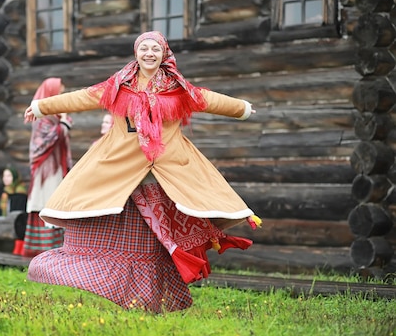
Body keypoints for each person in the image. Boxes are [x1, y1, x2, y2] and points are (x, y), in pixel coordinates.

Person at [22, 31, 261, 313]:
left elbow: (207, 99)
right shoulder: (118, 86)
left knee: (151, 243)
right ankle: (105, 284)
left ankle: (150, 299)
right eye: (144, 48)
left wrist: (242, 108)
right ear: (136, 53)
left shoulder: (178, 88)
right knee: (111, 230)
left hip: (163, 173)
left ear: (164, 54)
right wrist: (41, 106)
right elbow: (83, 97)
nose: (149, 53)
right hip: (119, 171)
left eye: (155, 49)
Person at [23, 77, 72, 257]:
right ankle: (42, 248)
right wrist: (64, 124)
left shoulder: (56, 117)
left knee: (56, 203)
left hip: (57, 167)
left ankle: (57, 247)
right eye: (59, 92)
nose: (61, 96)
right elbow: (46, 141)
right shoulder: (41, 117)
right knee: (46, 202)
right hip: (46, 170)